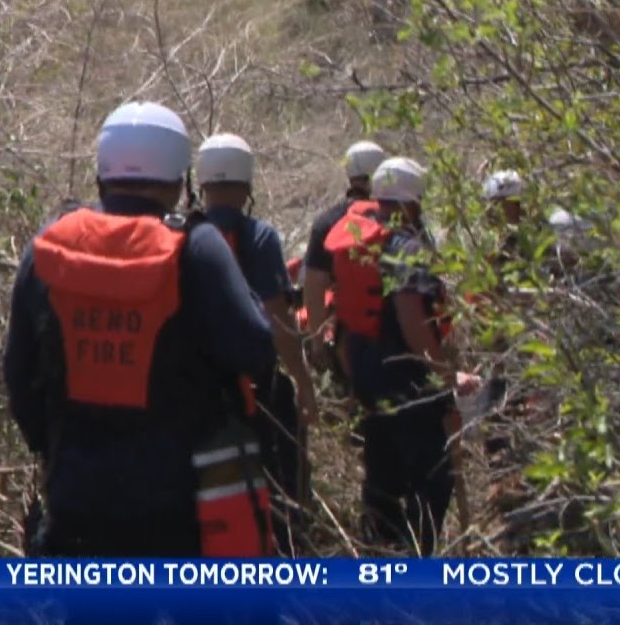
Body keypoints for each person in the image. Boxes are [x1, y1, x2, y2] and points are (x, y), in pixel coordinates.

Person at [3, 101, 279, 557]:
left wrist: (54, 447)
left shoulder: (48, 245)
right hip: (179, 506)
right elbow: (254, 349)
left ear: (102, 170)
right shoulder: (197, 245)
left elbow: (18, 373)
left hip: (75, 500)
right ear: (178, 177)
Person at [324, 156, 480, 556]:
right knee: (433, 484)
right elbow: (413, 320)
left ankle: (376, 567)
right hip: (411, 388)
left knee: (382, 486)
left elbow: (342, 319)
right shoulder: (407, 248)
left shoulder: (359, 242)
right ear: (413, 201)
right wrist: (446, 375)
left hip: (371, 385)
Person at [193, 133, 318, 555]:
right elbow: (280, 321)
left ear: (201, 182)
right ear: (247, 185)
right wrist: (302, 382)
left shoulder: (182, 235)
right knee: (283, 479)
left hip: (196, 388)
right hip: (257, 388)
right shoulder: (261, 237)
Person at [302, 140, 388, 414]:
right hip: (395, 334)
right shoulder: (396, 217)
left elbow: (313, 286)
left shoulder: (328, 221)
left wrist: (318, 343)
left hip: (349, 339)